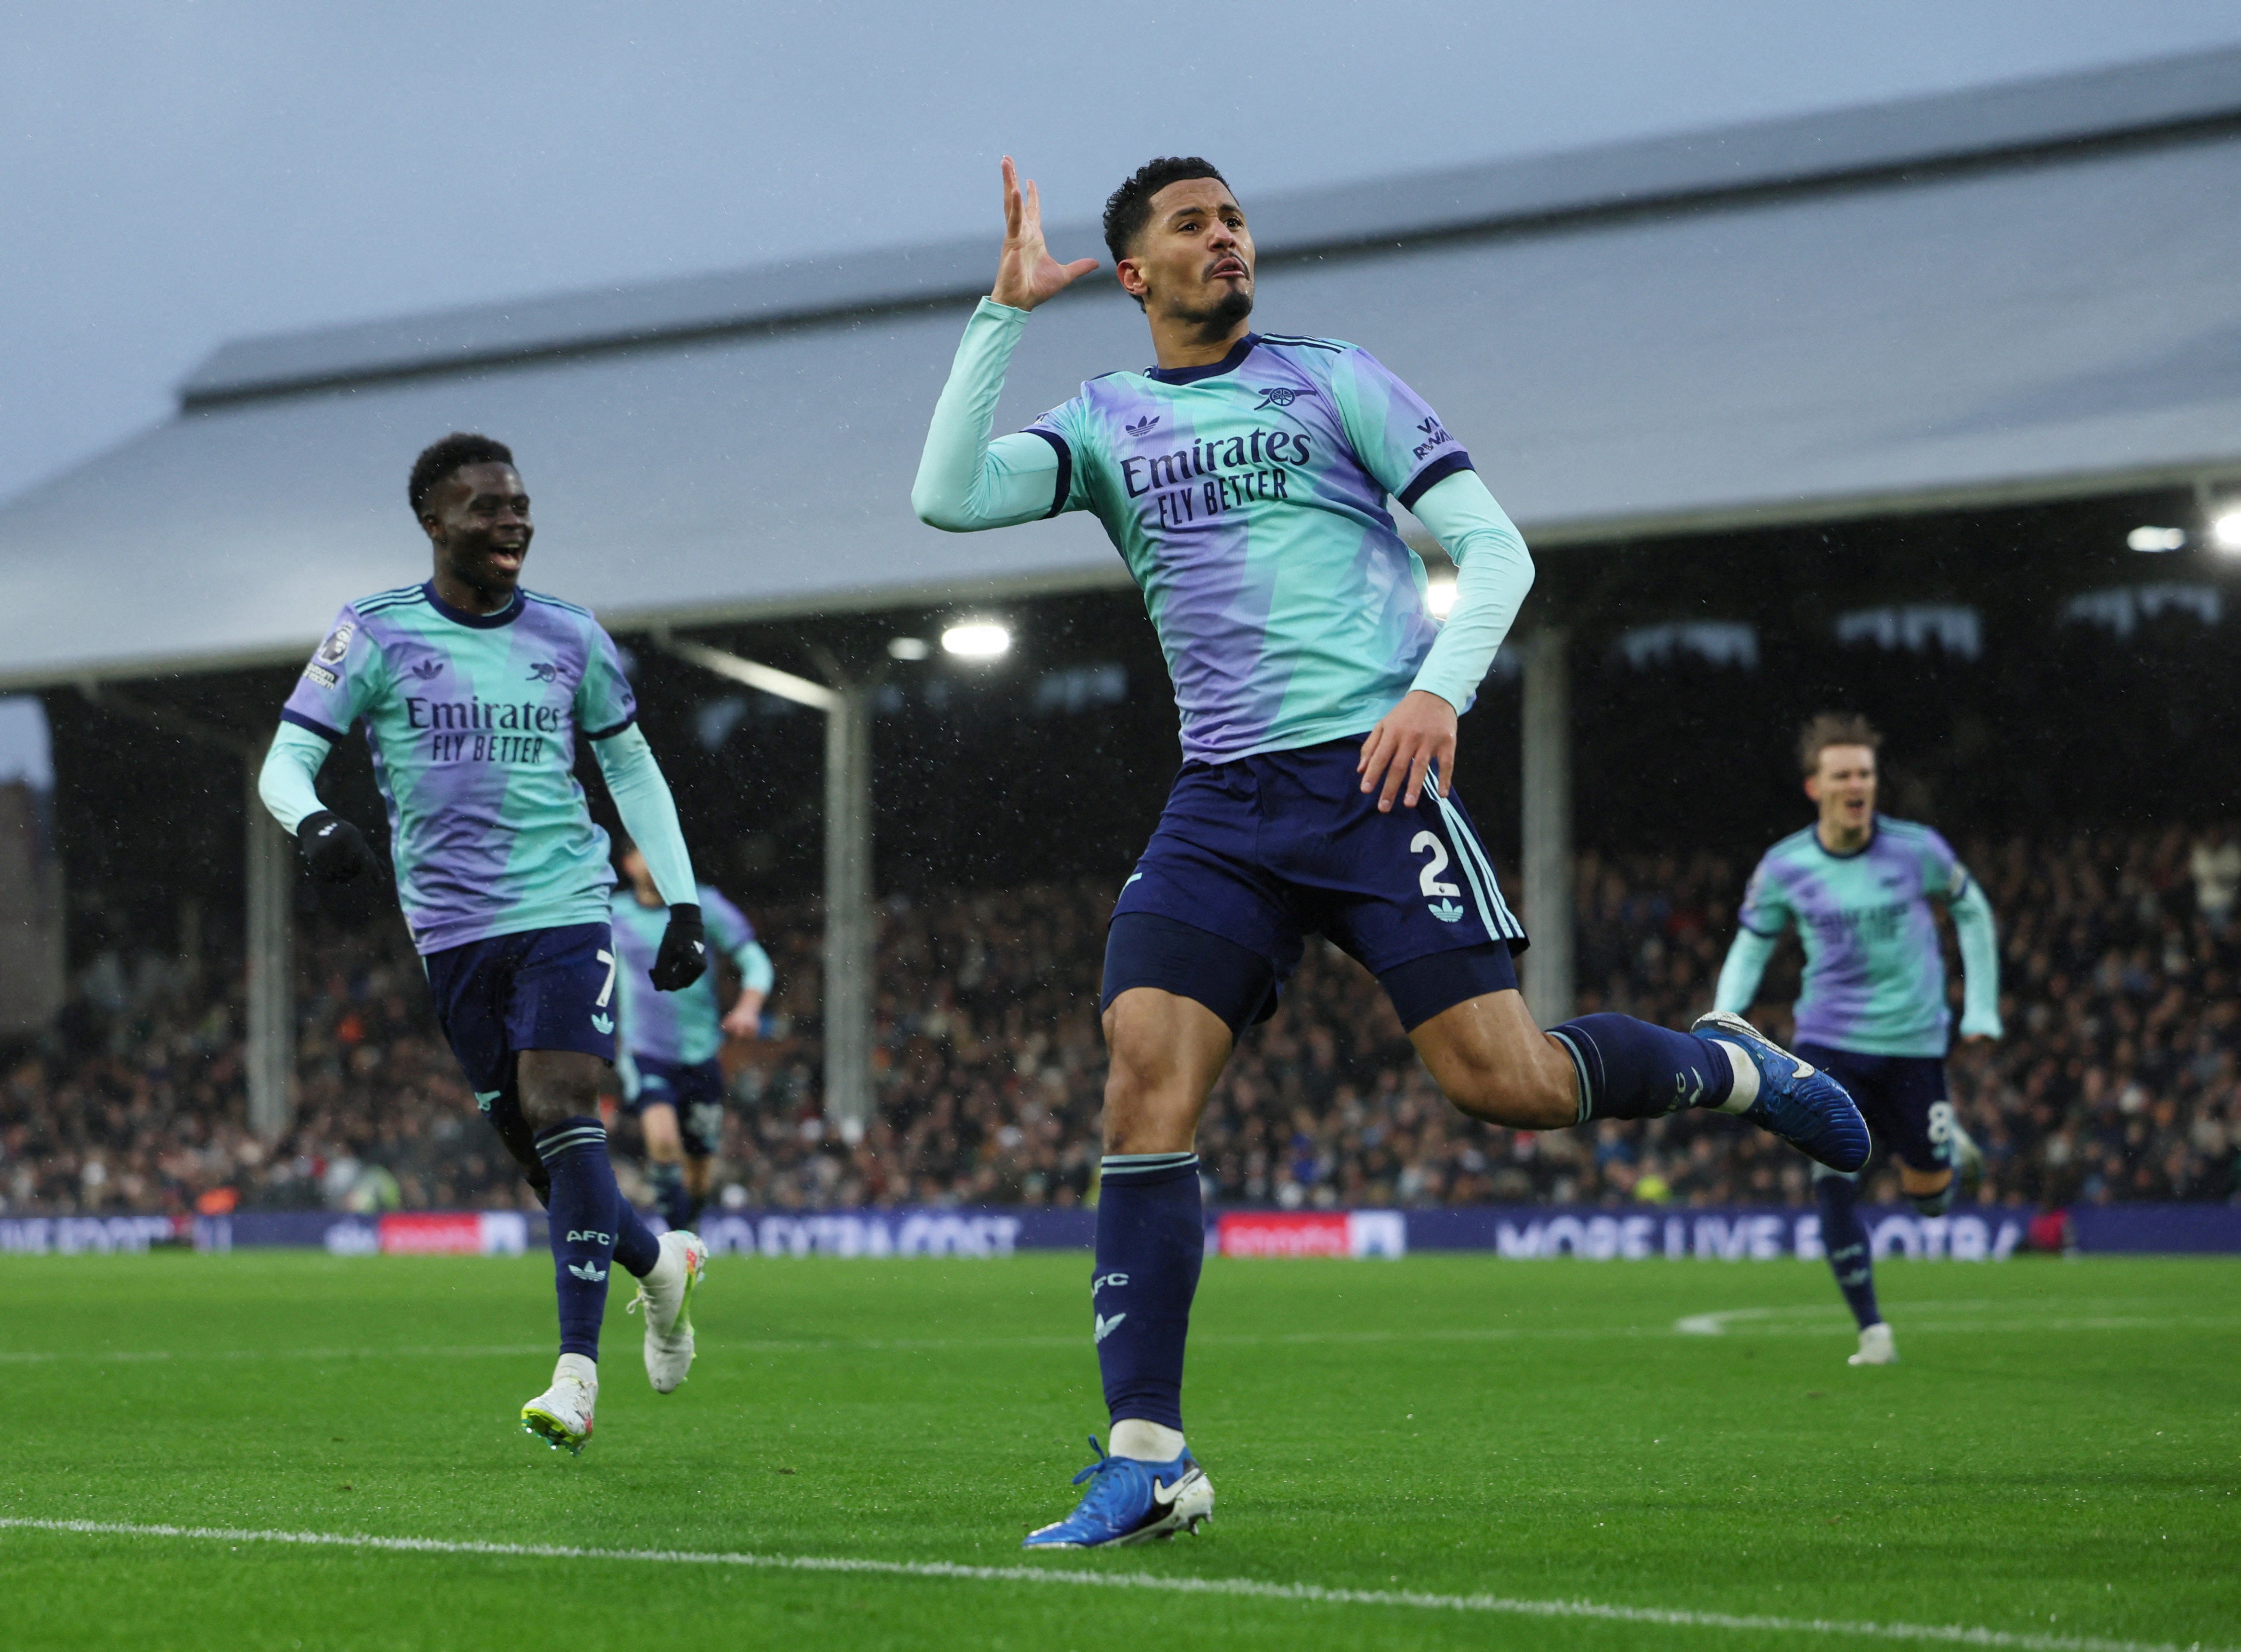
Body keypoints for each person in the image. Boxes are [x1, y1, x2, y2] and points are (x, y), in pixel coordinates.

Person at [914, 156, 1869, 1548]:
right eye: (1192, 225)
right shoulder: (1105, 421)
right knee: (1140, 1068)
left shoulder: (1332, 376)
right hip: (1219, 804)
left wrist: (1438, 692)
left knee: (1507, 1083)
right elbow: (946, 497)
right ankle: (1147, 1458)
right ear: (1132, 274)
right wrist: (998, 314)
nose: (1225, 237)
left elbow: (1492, 549)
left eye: (1233, 217)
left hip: (1372, 776)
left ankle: (1732, 1063)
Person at [256, 431, 713, 1454]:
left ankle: (576, 1375)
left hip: (563, 906)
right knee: (546, 1158)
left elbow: (630, 766)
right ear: (434, 522)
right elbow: (285, 760)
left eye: (520, 504)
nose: (513, 521)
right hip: (453, 932)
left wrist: (678, 901)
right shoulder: (372, 634)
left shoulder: (571, 634)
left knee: (562, 1106)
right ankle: (661, 1264)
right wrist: (316, 822)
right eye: (486, 508)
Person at [1712, 713, 2001, 1367]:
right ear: (1815, 786)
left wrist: (1981, 1006)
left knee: (1930, 1202)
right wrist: (1723, 1015)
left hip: (1912, 1043)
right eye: (1842, 774)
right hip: (1828, 1044)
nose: (1856, 785)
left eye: (1865, 774)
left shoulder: (1917, 849)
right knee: (1834, 1174)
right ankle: (1872, 1331)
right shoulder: (1784, 866)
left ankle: (1941, 1149)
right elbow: (1751, 947)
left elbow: (1972, 909)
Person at [610, 840, 772, 1232]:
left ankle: (690, 1228)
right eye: (645, 850)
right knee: (664, 1144)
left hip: (701, 1055)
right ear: (628, 863)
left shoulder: (703, 905)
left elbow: (756, 962)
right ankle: (677, 1243)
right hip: (645, 1051)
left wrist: (749, 1007)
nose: (655, 858)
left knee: (699, 1170)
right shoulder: (612, 914)